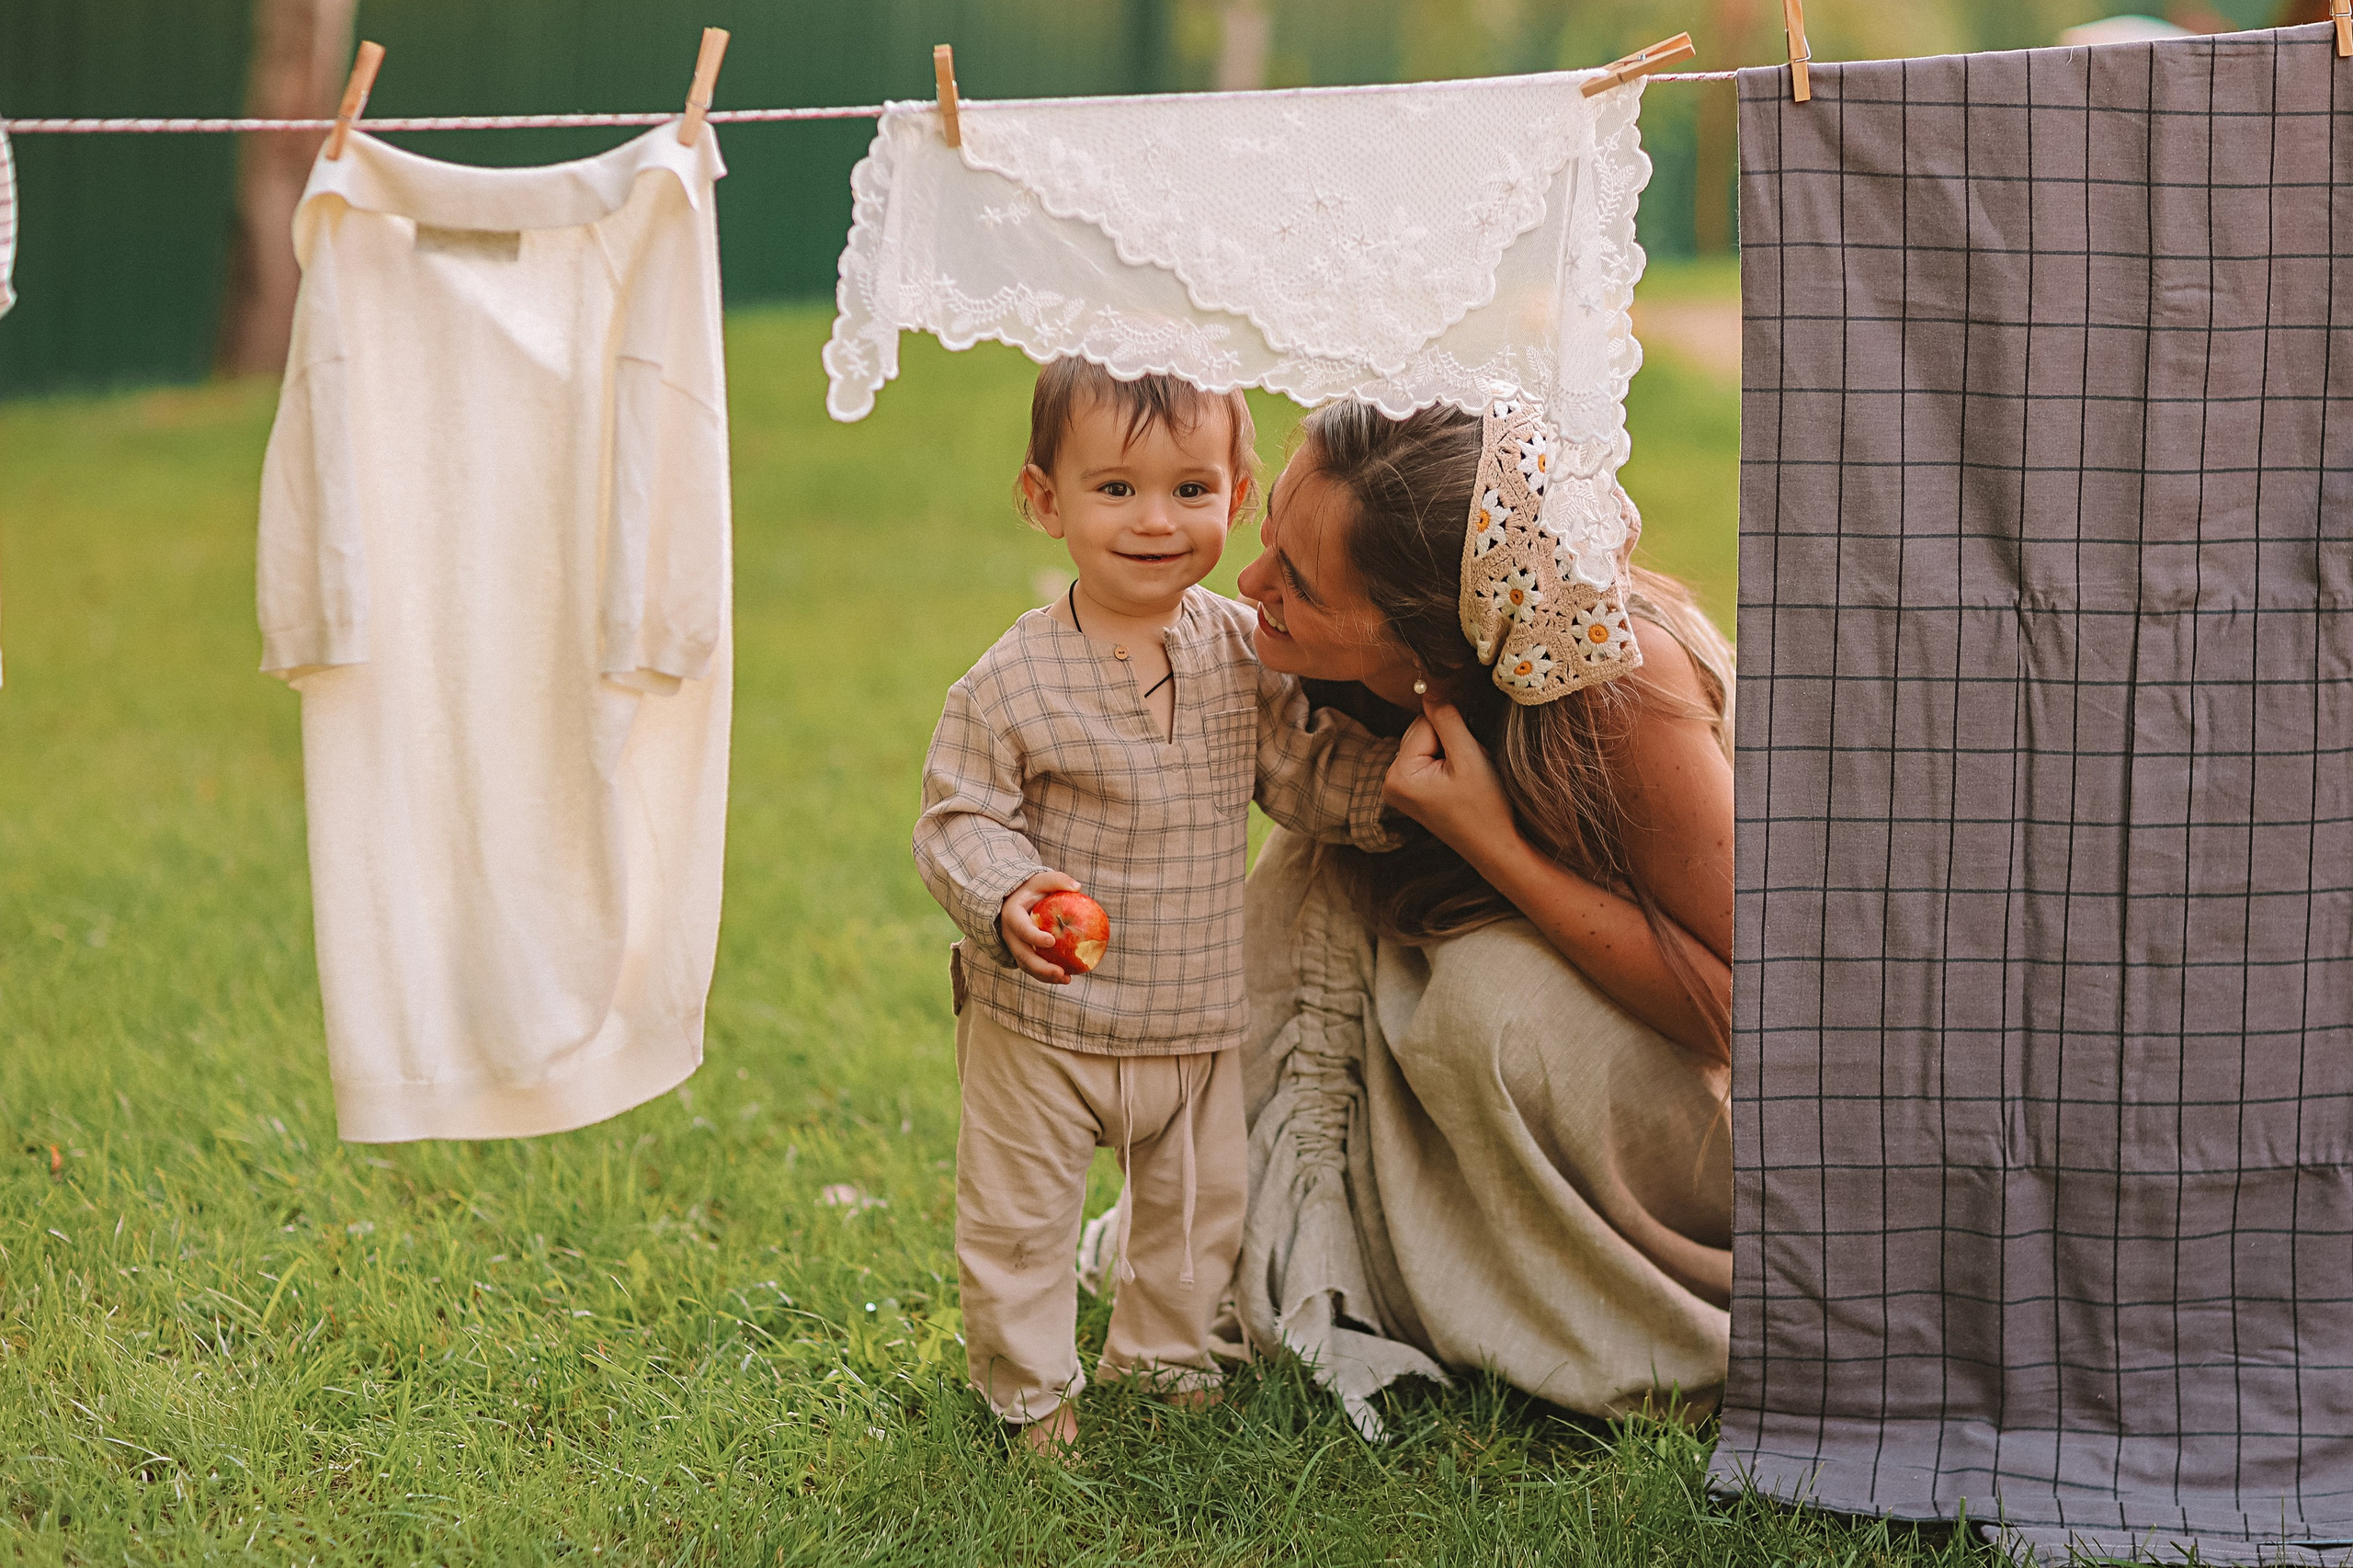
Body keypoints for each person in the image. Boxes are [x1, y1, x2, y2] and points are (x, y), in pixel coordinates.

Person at [1218, 396, 1737, 1437]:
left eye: (1300, 586)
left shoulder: (1618, 687)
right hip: (1549, 1030)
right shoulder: (1382, 662)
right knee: (1314, 882)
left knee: (1484, 996)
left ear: (1432, 656)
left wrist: (1491, 841)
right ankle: (1355, 1248)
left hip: (1717, 1115)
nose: (1249, 582)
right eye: (1270, 530)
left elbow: (1748, 1007)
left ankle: (1612, 1318)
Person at [911, 360, 1404, 1454]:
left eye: (1189, 490)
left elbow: (1297, 771)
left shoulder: (1238, 650)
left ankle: (1166, 1354)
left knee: (1192, 1217)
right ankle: (1031, 1389)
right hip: (1043, 1025)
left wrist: (1396, 792)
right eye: (1114, 489)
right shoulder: (1009, 682)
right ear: (1046, 500)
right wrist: (1009, 894)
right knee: (1019, 1219)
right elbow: (956, 820)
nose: (1154, 521)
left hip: (1189, 1016)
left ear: (1236, 497)